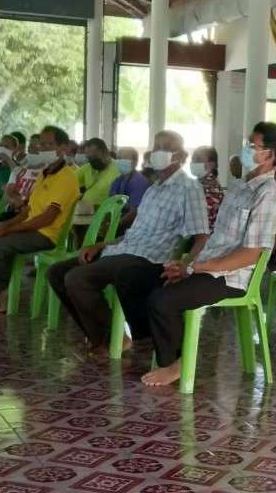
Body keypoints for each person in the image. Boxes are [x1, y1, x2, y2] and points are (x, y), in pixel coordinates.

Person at [140, 122, 276, 388]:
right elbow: (215, 238)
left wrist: (195, 268)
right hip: (209, 267)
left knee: (163, 300)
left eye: (253, 146)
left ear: (271, 155)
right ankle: (168, 351)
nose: (246, 150)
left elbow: (250, 255)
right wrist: (187, 263)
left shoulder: (269, 196)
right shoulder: (239, 187)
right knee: (150, 282)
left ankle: (177, 363)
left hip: (233, 278)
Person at [48, 131, 211, 359]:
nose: (158, 152)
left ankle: (111, 338)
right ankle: (101, 337)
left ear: (180, 155)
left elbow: (202, 236)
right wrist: (102, 244)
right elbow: (133, 234)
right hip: (124, 250)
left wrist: (186, 266)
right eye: (156, 147)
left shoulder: (189, 188)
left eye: (166, 147)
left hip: (149, 259)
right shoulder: (153, 189)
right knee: (57, 272)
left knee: (77, 279)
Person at [0, 126, 79, 314]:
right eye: (42, 144)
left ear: (63, 148)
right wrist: (5, 224)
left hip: (45, 235)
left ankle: (1, 293)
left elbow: (46, 218)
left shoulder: (67, 177)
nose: (43, 149)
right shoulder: (44, 173)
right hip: (29, 229)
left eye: (49, 145)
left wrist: (9, 230)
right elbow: (28, 211)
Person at [110, 145, 152, 230]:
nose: (120, 160)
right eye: (119, 158)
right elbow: (111, 204)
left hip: (132, 226)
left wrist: (114, 227)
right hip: (117, 220)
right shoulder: (118, 180)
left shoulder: (138, 181)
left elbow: (134, 212)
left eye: (125, 158)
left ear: (135, 162)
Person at [77, 138, 120, 209]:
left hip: (107, 210)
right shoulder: (88, 167)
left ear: (104, 152)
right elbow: (71, 180)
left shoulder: (118, 168)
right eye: (88, 157)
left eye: (93, 156)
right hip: (85, 208)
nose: (91, 160)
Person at [190, 146, 225, 228]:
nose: (193, 163)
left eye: (198, 159)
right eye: (192, 159)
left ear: (211, 164)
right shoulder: (199, 184)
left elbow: (201, 224)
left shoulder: (210, 189)